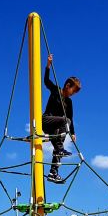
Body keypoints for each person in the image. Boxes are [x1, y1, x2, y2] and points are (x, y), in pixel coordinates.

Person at [42, 53, 81, 185]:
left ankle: (53, 173)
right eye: (73, 91)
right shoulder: (56, 90)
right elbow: (46, 81)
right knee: (65, 121)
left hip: (56, 126)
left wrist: (73, 133)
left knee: (60, 141)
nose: (73, 94)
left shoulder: (69, 102)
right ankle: (59, 149)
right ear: (68, 85)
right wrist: (48, 66)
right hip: (46, 120)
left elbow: (71, 117)